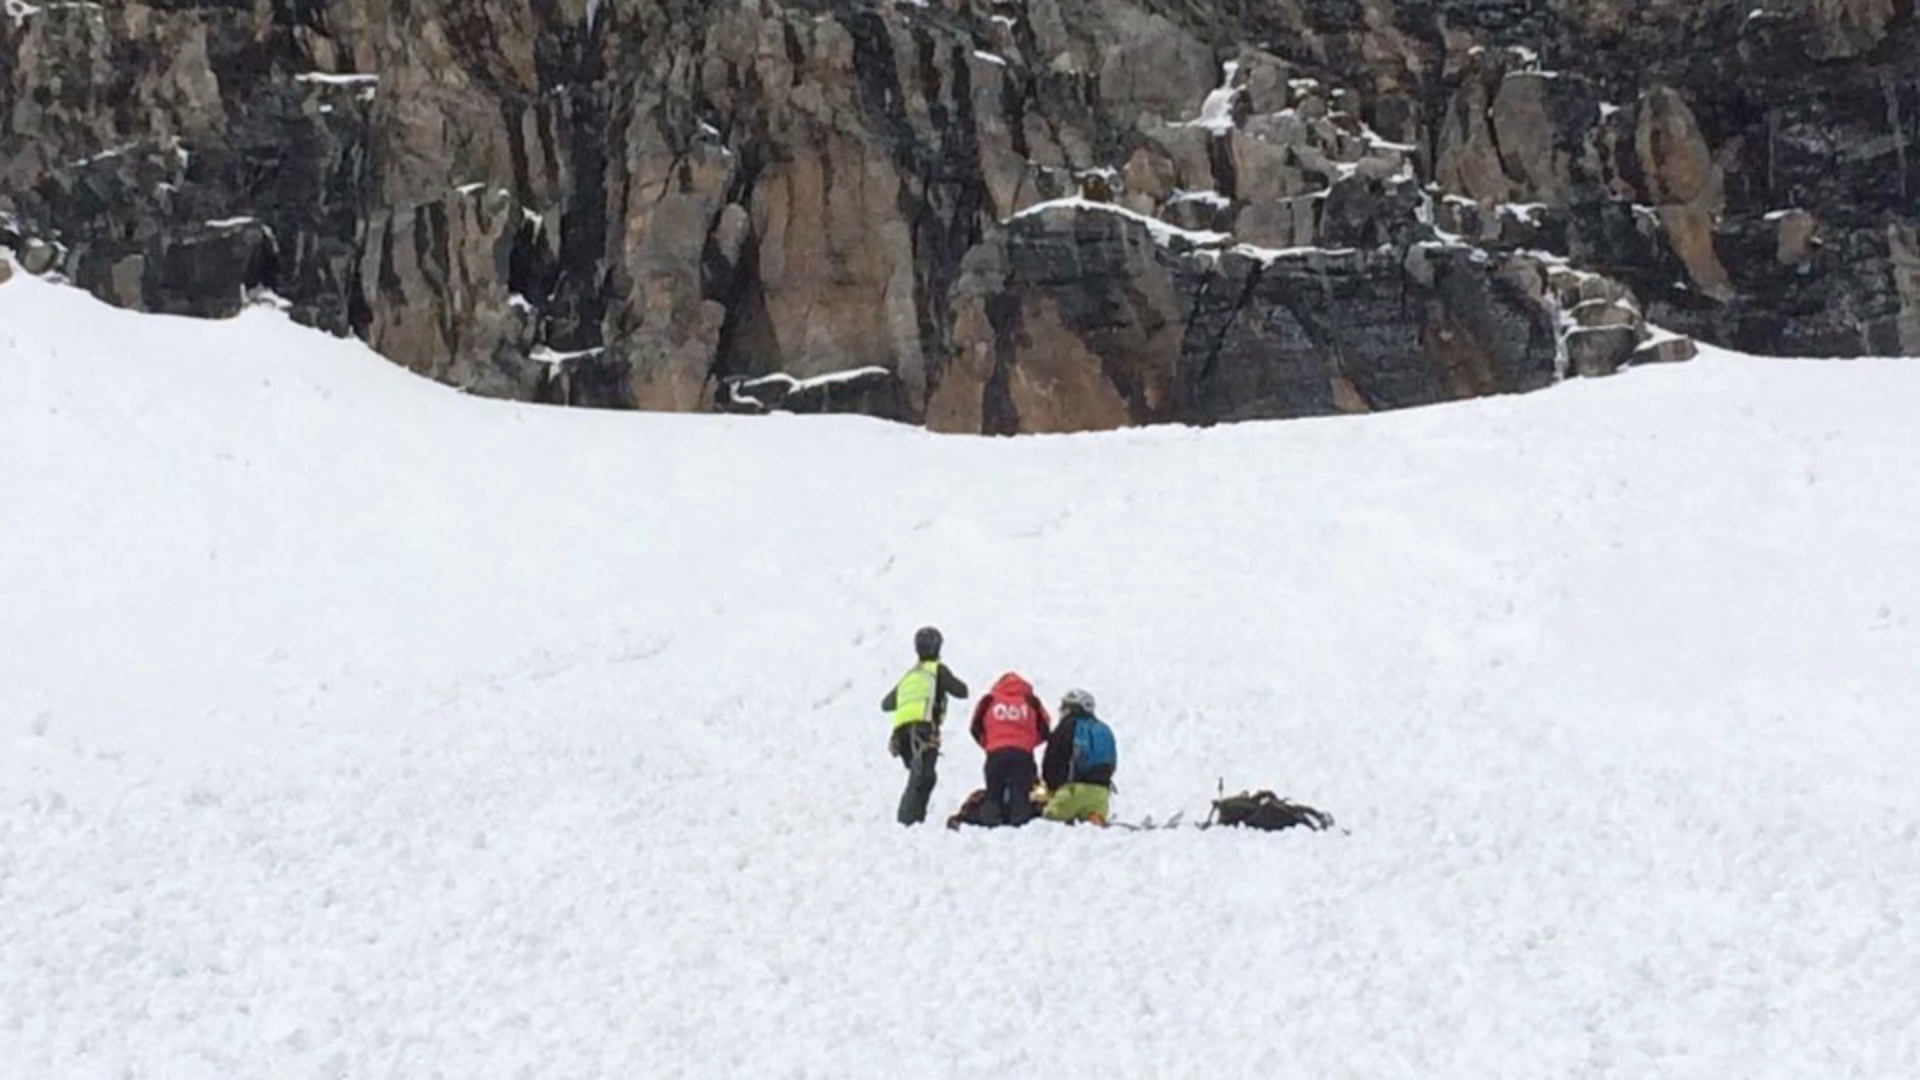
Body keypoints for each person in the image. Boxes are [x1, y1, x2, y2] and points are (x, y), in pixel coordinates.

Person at [881, 626, 969, 826]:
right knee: (923, 777)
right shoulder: (936, 670)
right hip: (922, 731)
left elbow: (886, 704)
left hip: (900, 735)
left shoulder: (909, 676)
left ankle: (912, 819)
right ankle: (907, 821)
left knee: (921, 776)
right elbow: (962, 691)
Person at [968, 672, 1051, 826]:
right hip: (1022, 755)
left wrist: (989, 744)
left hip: (995, 755)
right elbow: (1045, 728)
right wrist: (1029, 743)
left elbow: (975, 727)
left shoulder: (990, 700)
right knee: (1021, 793)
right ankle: (1019, 822)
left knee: (993, 792)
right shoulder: (1030, 701)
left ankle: (991, 821)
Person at [1041, 688, 1117, 825]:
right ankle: (1094, 816)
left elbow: (1051, 761)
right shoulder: (1103, 729)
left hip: (1071, 792)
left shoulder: (1066, 727)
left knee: (1047, 822)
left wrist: (1051, 789)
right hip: (1101, 794)